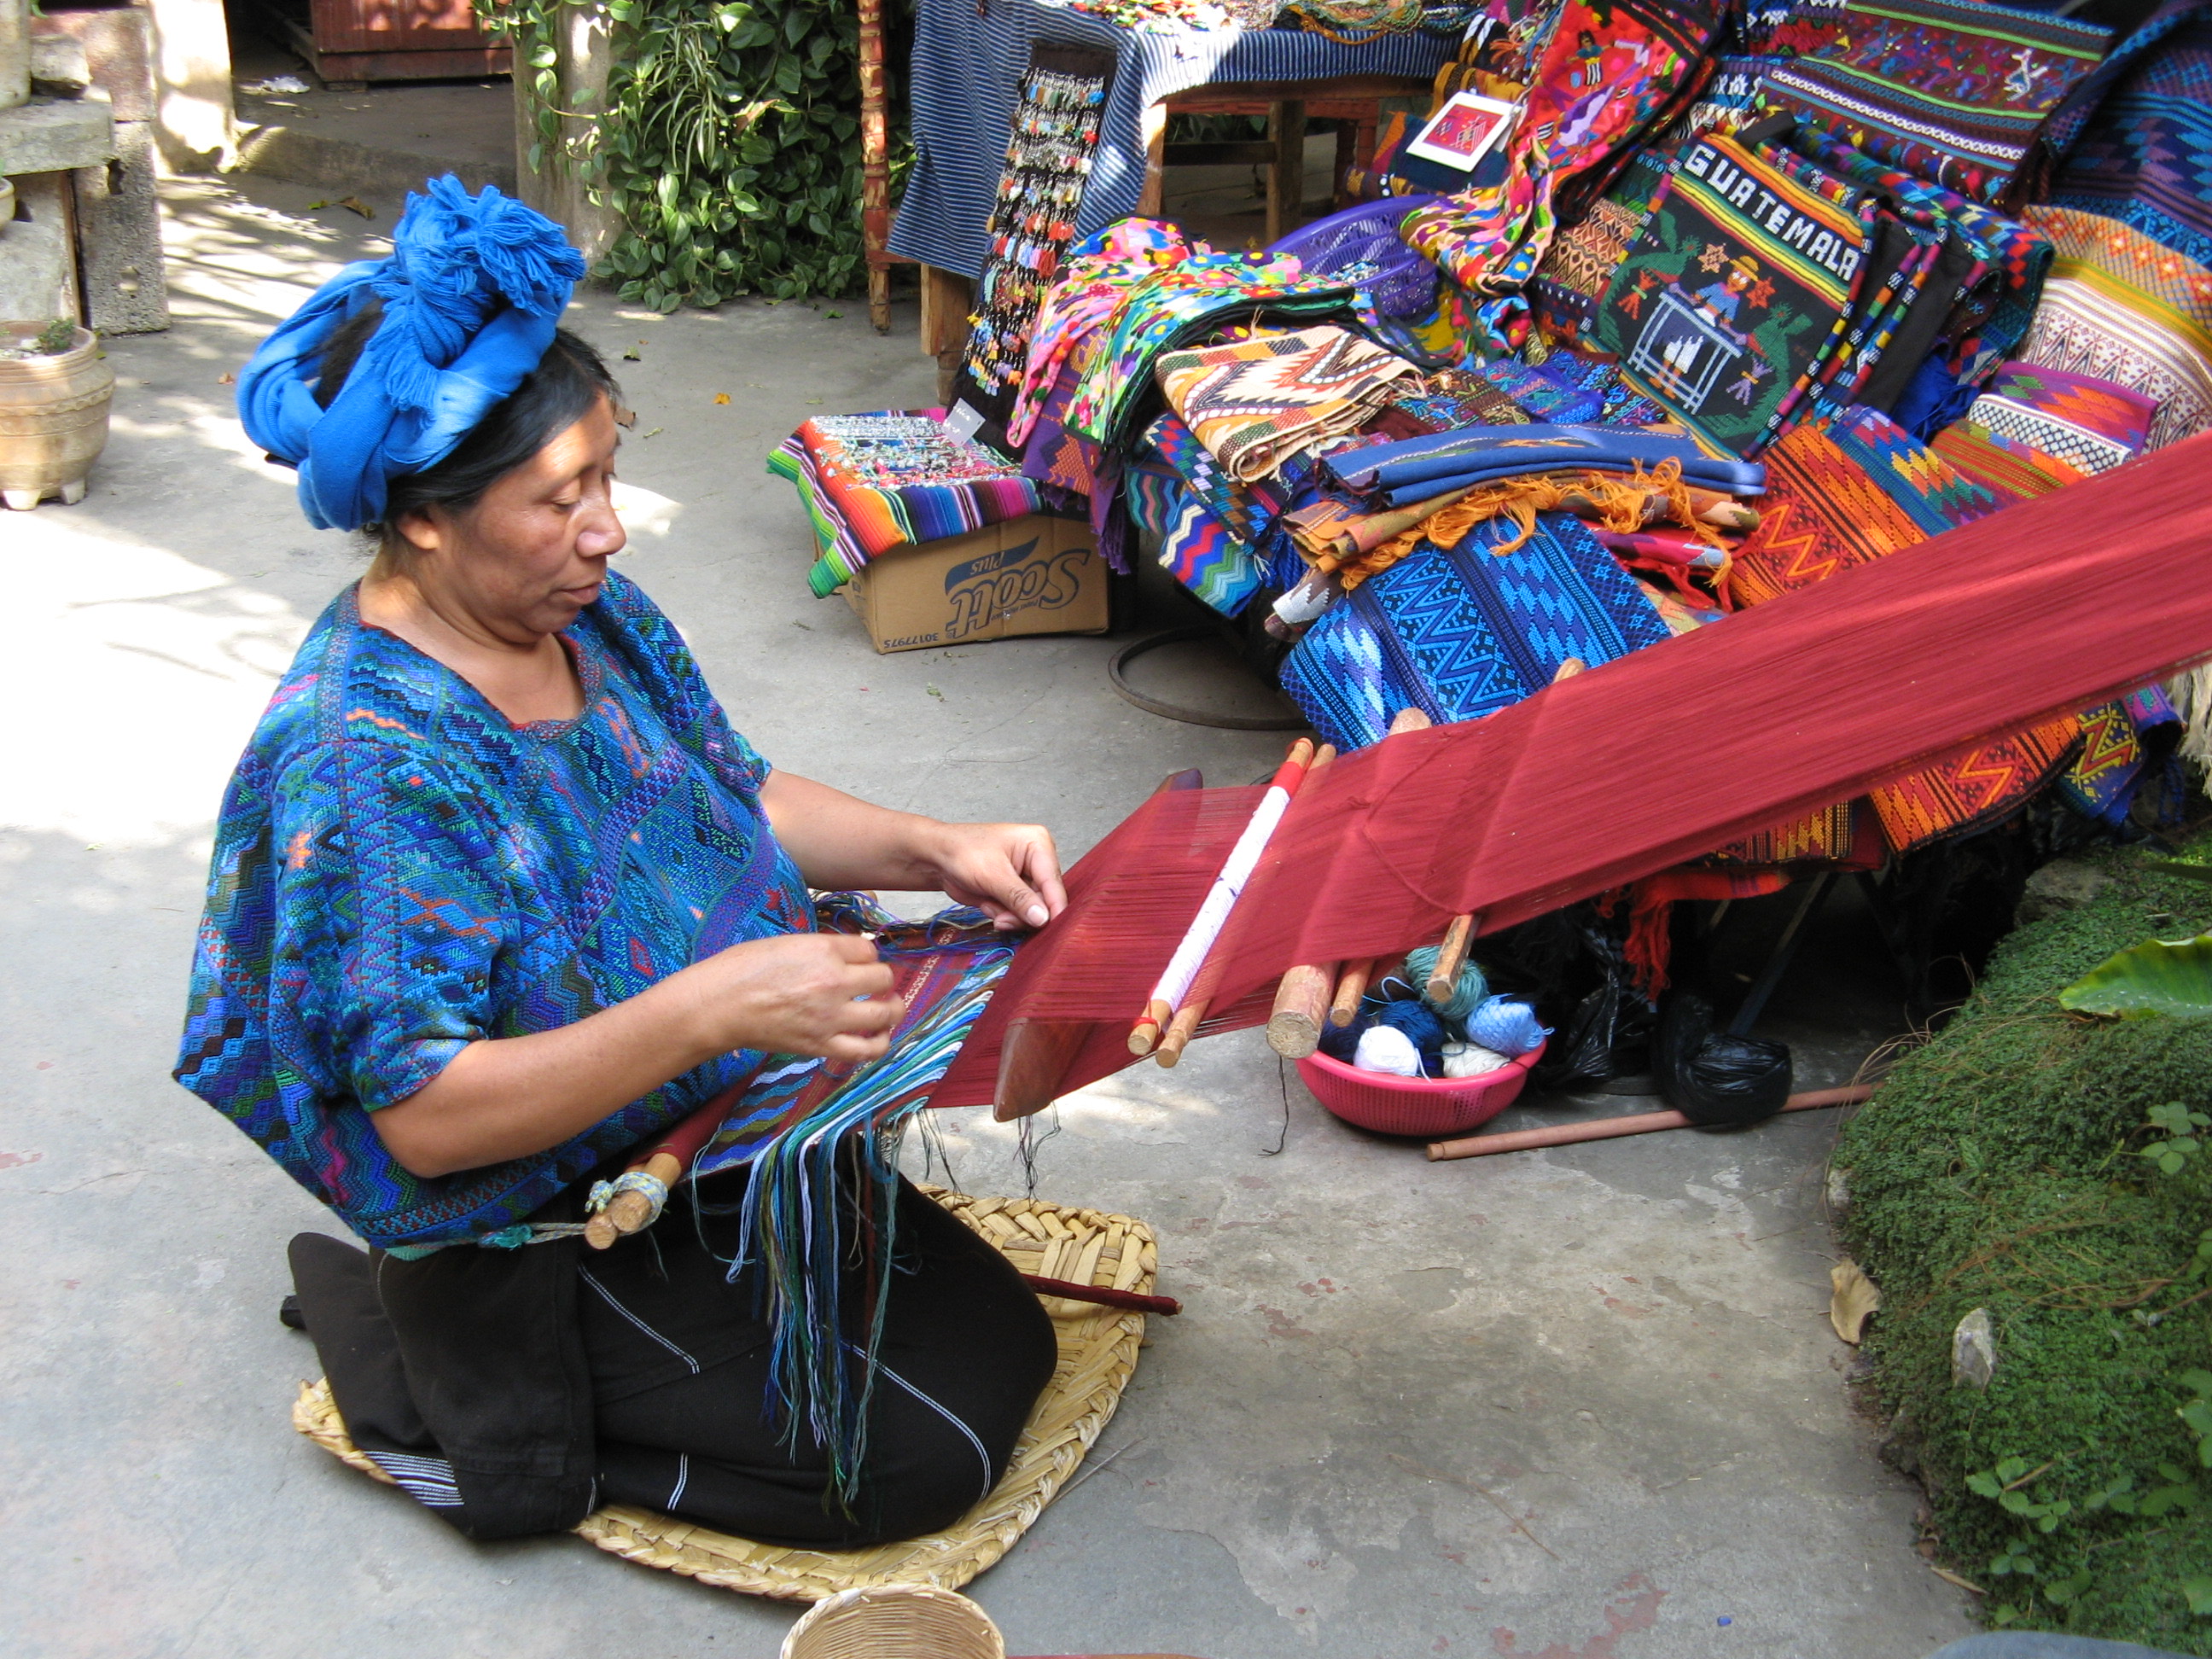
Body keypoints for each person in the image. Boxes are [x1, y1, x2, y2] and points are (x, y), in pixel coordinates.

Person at [176, 178, 1061, 1545]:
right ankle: (444, 1376)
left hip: (699, 1132)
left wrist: (930, 848)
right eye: (561, 495)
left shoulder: (585, 613)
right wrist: (712, 1009)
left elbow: (731, 794)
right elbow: (427, 1118)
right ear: (425, 517)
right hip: (538, 1215)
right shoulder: (367, 766)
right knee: (912, 1463)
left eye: (606, 471)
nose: (609, 526)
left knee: (1007, 1344)